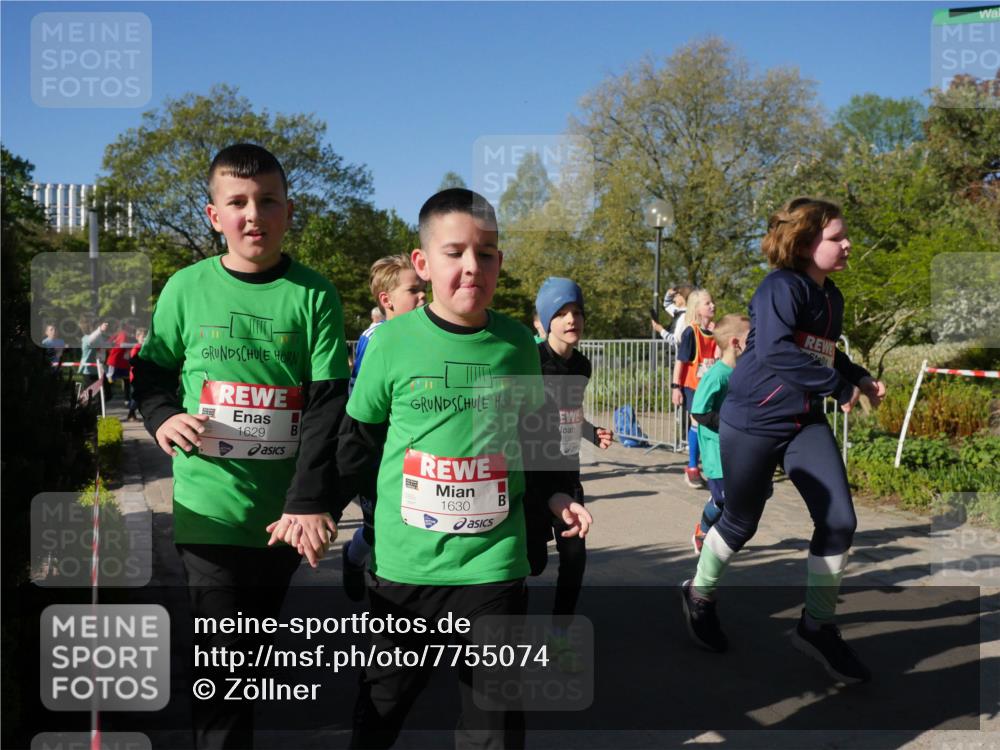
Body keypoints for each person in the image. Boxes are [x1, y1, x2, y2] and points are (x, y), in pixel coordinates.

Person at [332, 188, 591, 749]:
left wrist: (555, 495)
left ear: (499, 262)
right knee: (382, 707)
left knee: (494, 723)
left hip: (493, 564)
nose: (473, 266)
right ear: (423, 263)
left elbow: (533, 438)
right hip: (407, 568)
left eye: (487, 253)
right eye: (455, 252)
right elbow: (356, 445)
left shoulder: (517, 344)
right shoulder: (390, 343)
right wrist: (315, 508)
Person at [133, 143, 351, 749]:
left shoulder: (314, 294)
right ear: (214, 216)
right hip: (209, 511)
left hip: (281, 518)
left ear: (288, 211)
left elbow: (327, 406)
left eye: (268, 201)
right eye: (238, 203)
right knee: (225, 662)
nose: (253, 214)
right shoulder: (185, 288)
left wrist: (308, 501)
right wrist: (163, 417)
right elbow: (150, 372)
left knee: (248, 658)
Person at [680, 197, 886, 686]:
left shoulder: (831, 296)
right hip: (753, 420)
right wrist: (838, 387)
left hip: (803, 422)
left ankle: (817, 626)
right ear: (806, 243)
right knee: (740, 520)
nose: (847, 244)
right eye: (837, 237)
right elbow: (774, 351)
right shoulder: (780, 287)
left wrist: (857, 376)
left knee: (839, 520)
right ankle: (698, 594)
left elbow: (824, 353)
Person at [531, 276, 612, 671]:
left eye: (577, 312)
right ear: (545, 320)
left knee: (575, 555)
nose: (571, 319)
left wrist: (591, 432)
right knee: (530, 562)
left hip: (566, 472)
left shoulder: (582, 364)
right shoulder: (530, 362)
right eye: (561, 313)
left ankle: (559, 635)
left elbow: (571, 412)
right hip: (530, 474)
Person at [342, 253, 427, 600]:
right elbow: (366, 408)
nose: (423, 296)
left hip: (410, 455)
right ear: (387, 300)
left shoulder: (420, 333)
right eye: (413, 291)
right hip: (376, 455)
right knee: (378, 528)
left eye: (423, 289)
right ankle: (353, 560)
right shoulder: (379, 337)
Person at [689, 314, 750, 554]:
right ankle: (703, 531)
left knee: (743, 498)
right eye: (750, 338)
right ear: (735, 343)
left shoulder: (743, 372)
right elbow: (699, 411)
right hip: (717, 452)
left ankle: (723, 536)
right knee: (722, 501)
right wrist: (728, 424)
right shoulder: (717, 375)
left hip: (739, 449)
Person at [671, 288, 717, 488]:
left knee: (708, 426)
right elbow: (680, 362)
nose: (712, 305)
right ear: (697, 308)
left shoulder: (715, 332)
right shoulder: (691, 332)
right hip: (693, 386)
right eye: (708, 303)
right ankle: (692, 467)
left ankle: (708, 466)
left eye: (712, 302)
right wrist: (676, 387)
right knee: (697, 424)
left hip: (711, 387)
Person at [125, 328, 146, 421]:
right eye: (143, 336)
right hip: (136, 376)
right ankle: (131, 413)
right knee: (136, 396)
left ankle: (132, 414)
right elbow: (134, 362)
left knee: (140, 396)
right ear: (137, 337)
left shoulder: (144, 347)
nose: (144, 338)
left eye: (146, 336)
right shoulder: (136, 348)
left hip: (142, 376)